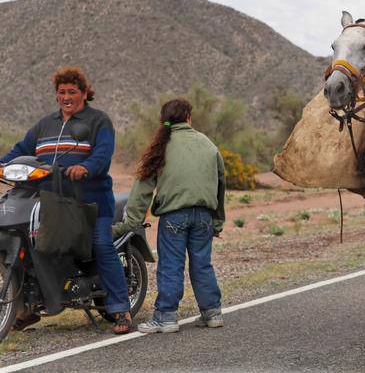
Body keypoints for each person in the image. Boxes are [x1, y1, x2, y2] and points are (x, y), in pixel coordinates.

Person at [0, 66, 132, 334]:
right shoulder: (45, 124)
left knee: (102, 245)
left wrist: (86, 167)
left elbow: (103, 154)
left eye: (72, 91)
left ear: (85, 94)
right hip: (49, 202)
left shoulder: (98, 121)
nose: (66, 97)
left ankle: (121, 309)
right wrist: (2, 164)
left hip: (90, 204)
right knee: (31, 243)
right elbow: (20, 150)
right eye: (61, 92)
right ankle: (28, 307)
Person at [112, 99, 226, 333]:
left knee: (171, 266)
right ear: (189, 118)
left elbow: (142, 189)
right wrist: (217, 221)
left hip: (174, 217)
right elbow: (220, 184)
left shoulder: (160, 147)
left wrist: (130, 222)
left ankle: (166, 317)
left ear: (164, 121)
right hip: (204, 216)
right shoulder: (208, 144)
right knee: (202, 265)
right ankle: (212, 313)